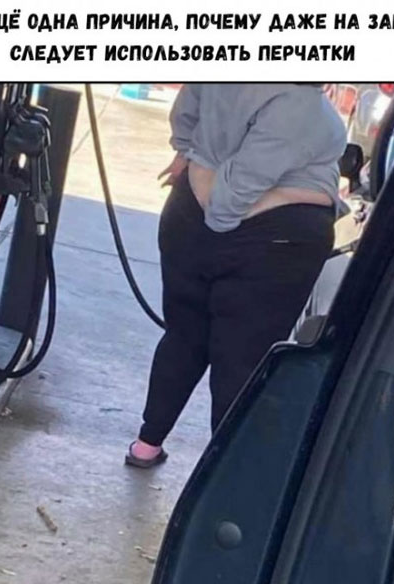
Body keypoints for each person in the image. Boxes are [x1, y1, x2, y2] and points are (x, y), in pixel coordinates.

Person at [126, 83, 347, 468]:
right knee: (242, 361)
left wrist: (191, 160)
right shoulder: (300, 103)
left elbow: (184, 117)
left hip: (185, 219)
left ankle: (147, 443)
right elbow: (227, 204)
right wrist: (311, 197)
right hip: (270, 241)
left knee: (183, 336)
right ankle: (225, 474)